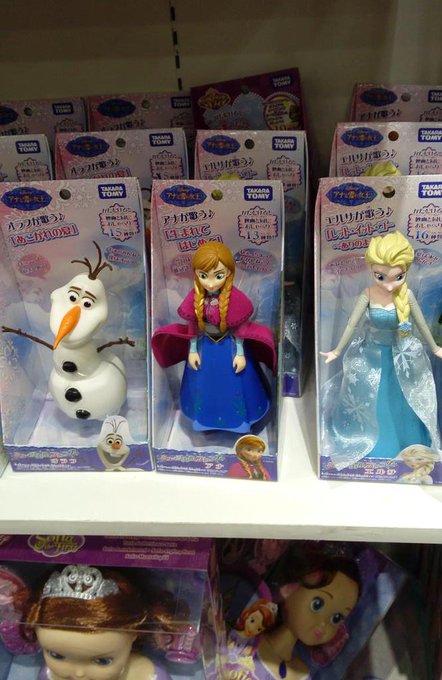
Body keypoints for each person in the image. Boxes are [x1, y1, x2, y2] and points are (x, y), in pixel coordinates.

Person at [320, 231, 441, 470]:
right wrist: (337, 350)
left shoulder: (407, 296)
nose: (388, 284)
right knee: (368, 395)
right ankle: (363, 439)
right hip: (372, 355)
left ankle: (406, 441)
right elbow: (352, 324)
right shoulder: (368, 295)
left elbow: (420, 324)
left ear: (406, 272)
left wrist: (435, 347)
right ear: (371, 270)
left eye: (398, 277)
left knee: (401, 399)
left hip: (400, 356)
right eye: (380, 276)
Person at [152, 242, 276, 433]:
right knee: (203, 385)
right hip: (205, 349)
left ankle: (240, 422)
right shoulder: (196, 297)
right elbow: (192, 326)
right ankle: (202, 420)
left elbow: (240, 329)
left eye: (218, 276)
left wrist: (240, 354)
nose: (210, 283)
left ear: (228, 273)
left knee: (236, 384)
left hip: (229, 348)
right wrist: (193, 350)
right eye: (203, 276)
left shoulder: (234, 298)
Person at [18, 564, 171, 680]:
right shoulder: (50, 675)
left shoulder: (148, 676)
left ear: (134, 634)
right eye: (56, 655)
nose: (79, 674)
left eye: (103, 661)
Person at [254, 549, 360, 679]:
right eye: (317, 604)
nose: (323, 624)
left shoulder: (302, 674)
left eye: (336, 618)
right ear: (289, 588)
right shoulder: (247, 641)